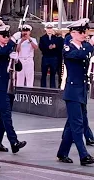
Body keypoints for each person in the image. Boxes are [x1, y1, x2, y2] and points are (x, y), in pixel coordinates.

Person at [57, 18, 94, 166]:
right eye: (82, 32)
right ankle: (83, 155)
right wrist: (89, 46)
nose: (84, 35)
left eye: (85, 32)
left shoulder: (84, 46)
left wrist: (88, 45)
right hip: (72, 91)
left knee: (72, 124)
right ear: (73, 33)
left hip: (81, 90)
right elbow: (78, 56)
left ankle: (62, 152)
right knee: (77, 124)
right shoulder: (68, 48)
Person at [0, 25, 27, 153]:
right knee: (6, 114)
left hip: (10, 85)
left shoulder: (8, 49)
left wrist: (16, 60)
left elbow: (19, 68)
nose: (6, 38)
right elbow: (1, 53)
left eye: (7, 36)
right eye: (4, 36)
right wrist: (12, 40)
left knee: (4, 115)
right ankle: (14, 141)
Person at [39, 23, 61, 88]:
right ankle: (43, 88)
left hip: (53, 57)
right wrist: (48, 47)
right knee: (44, 73)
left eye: (50, 28)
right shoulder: (42, 38)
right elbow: (41, 47)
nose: (49, 30)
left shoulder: (56, 38)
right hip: (46, 57)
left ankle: (52, 88)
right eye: (48, 29)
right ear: (46, 29)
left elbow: (60, 47)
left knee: (53, 74)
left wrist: (55, 46)